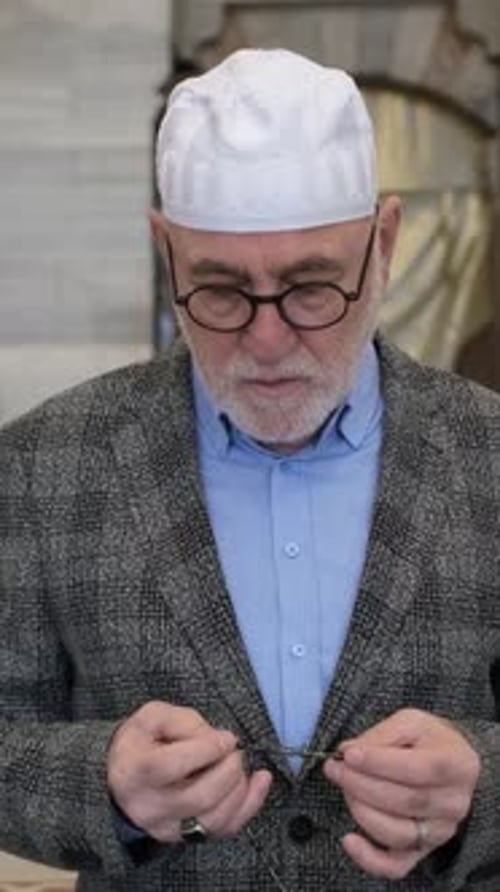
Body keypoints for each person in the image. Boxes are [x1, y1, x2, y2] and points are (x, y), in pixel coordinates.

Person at [0, 48, 499, 892]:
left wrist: (482, 787)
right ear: (166, 250)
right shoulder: (41, 464)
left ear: (384, 243)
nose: (266, 344)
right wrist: (103, 783)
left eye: (312, 288)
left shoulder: (487, 456)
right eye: (221, 290)